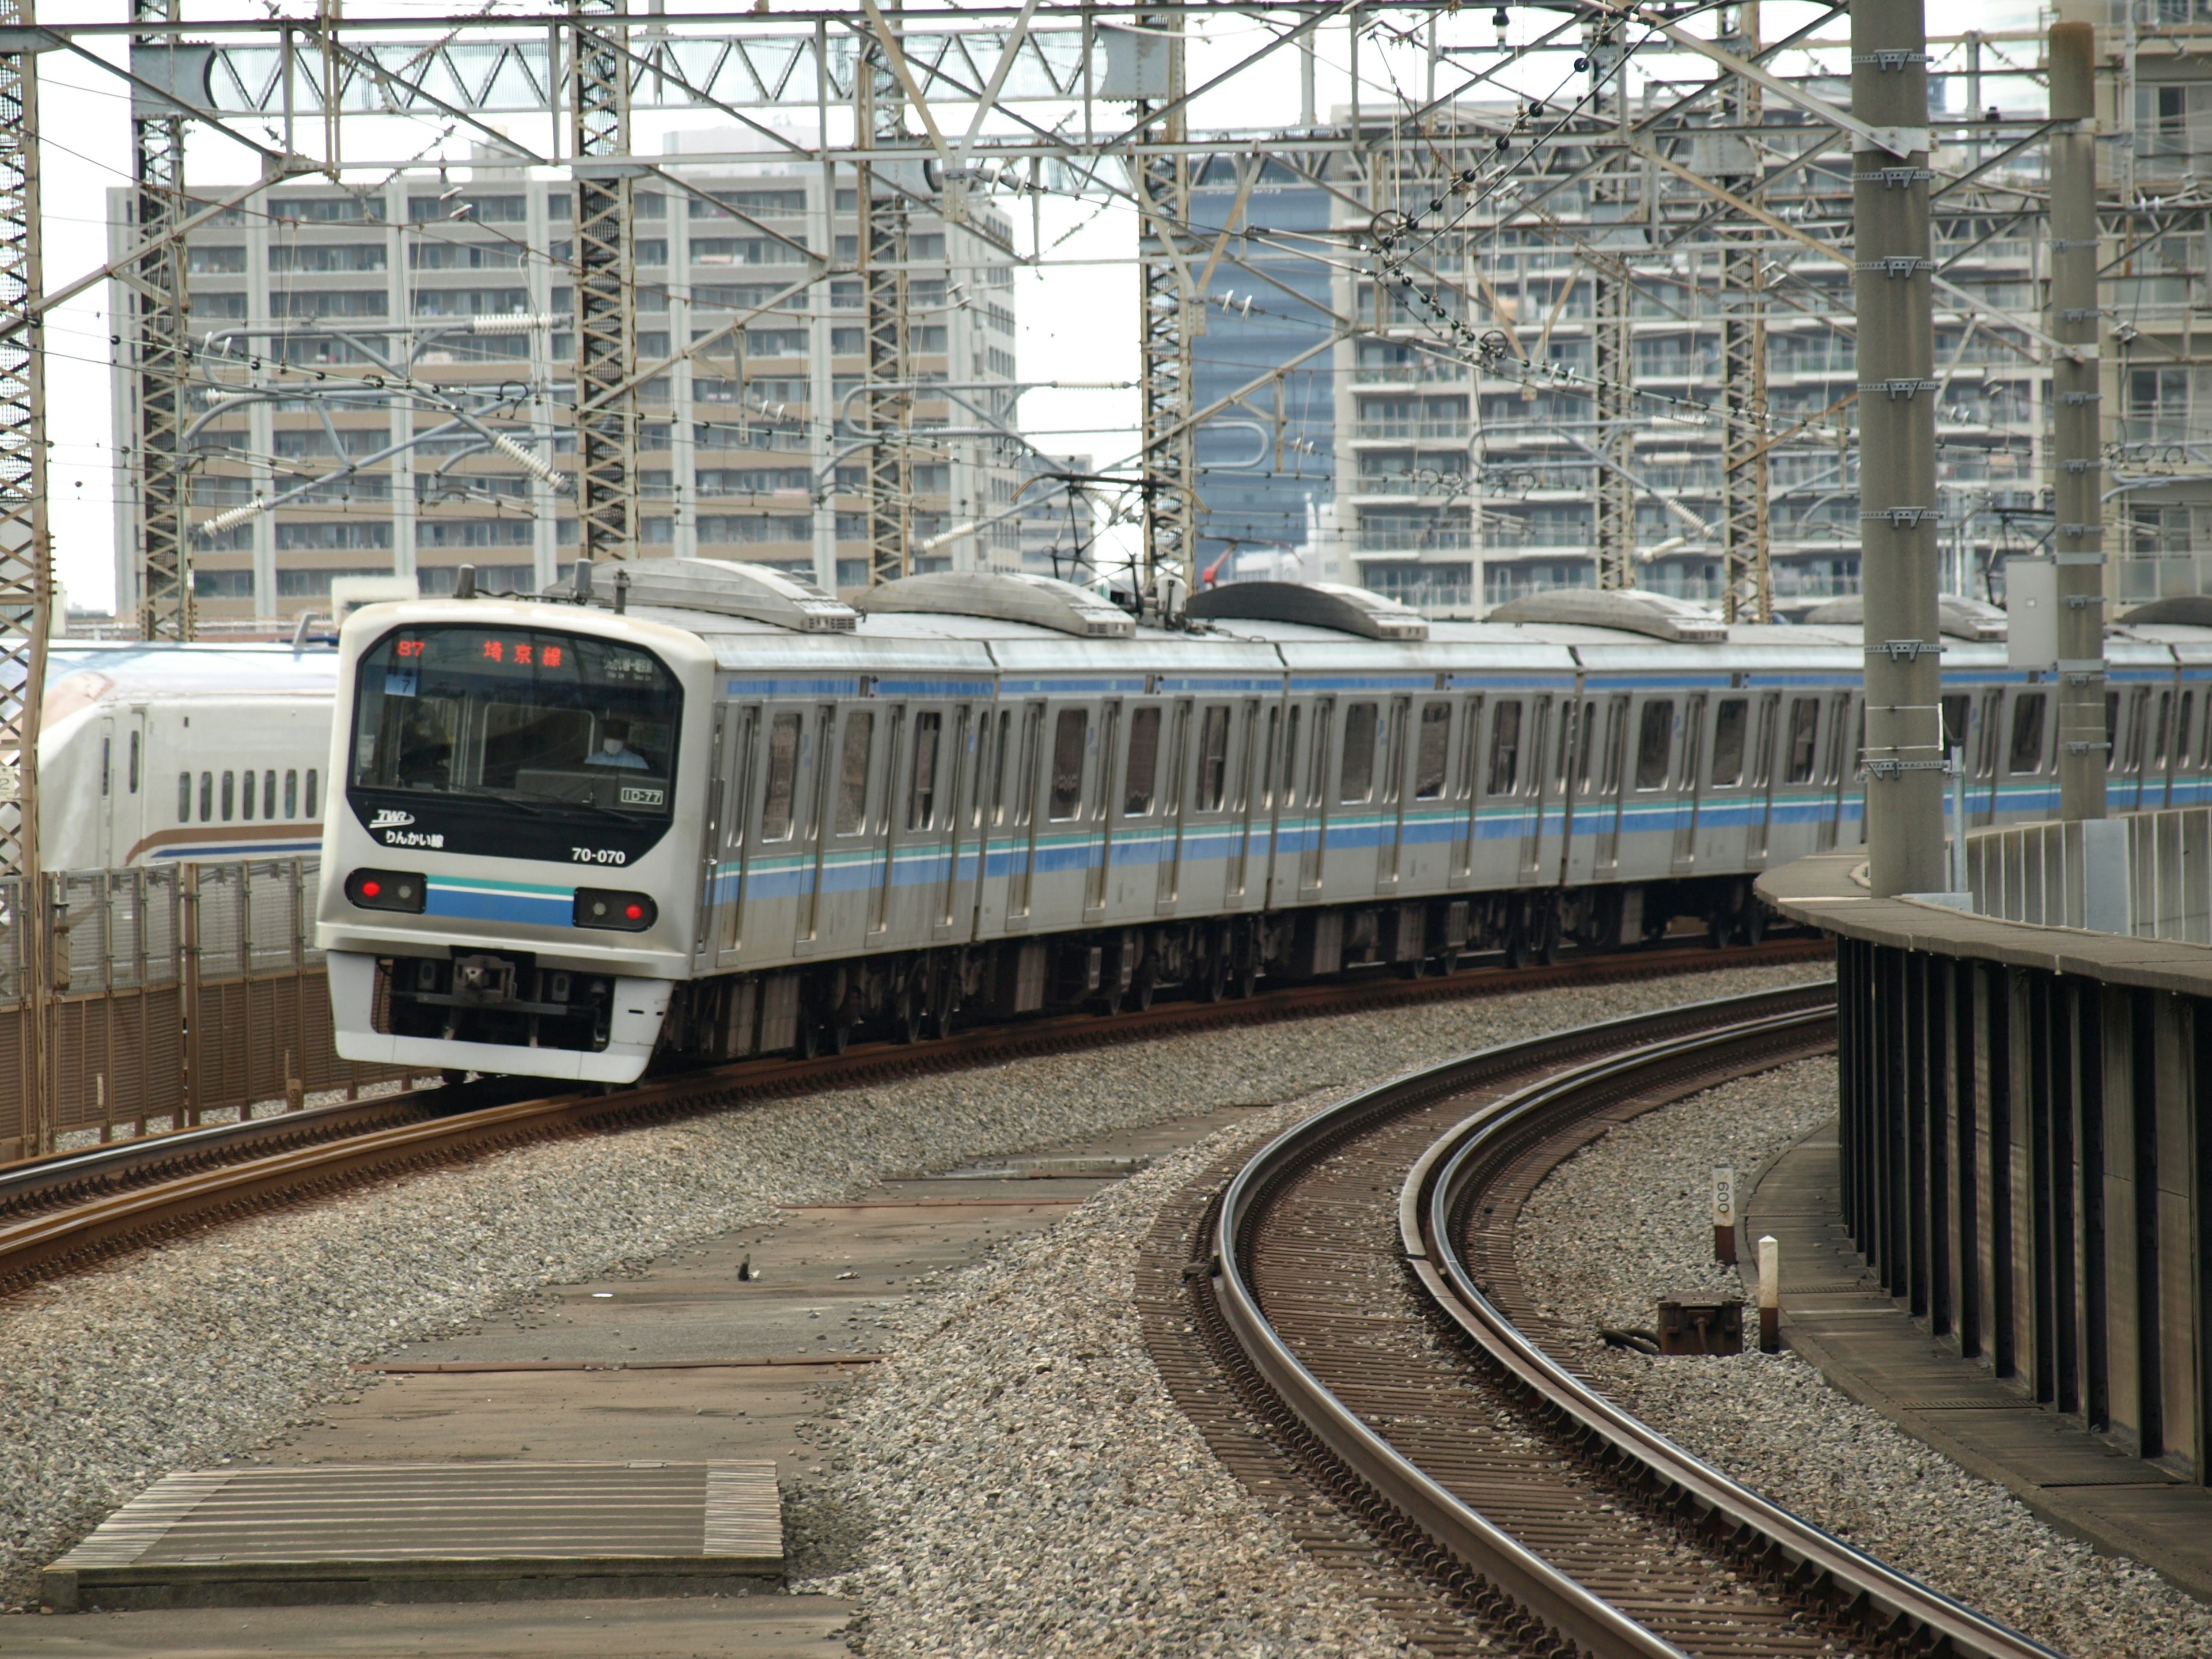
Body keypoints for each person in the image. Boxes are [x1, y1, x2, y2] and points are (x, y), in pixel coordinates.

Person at [586, 718, 650, 770]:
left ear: (625, 740)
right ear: (604, 737)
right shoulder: (592, 761)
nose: (613, 741)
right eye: (610, 736)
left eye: (618, 737)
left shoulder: (638, 763)